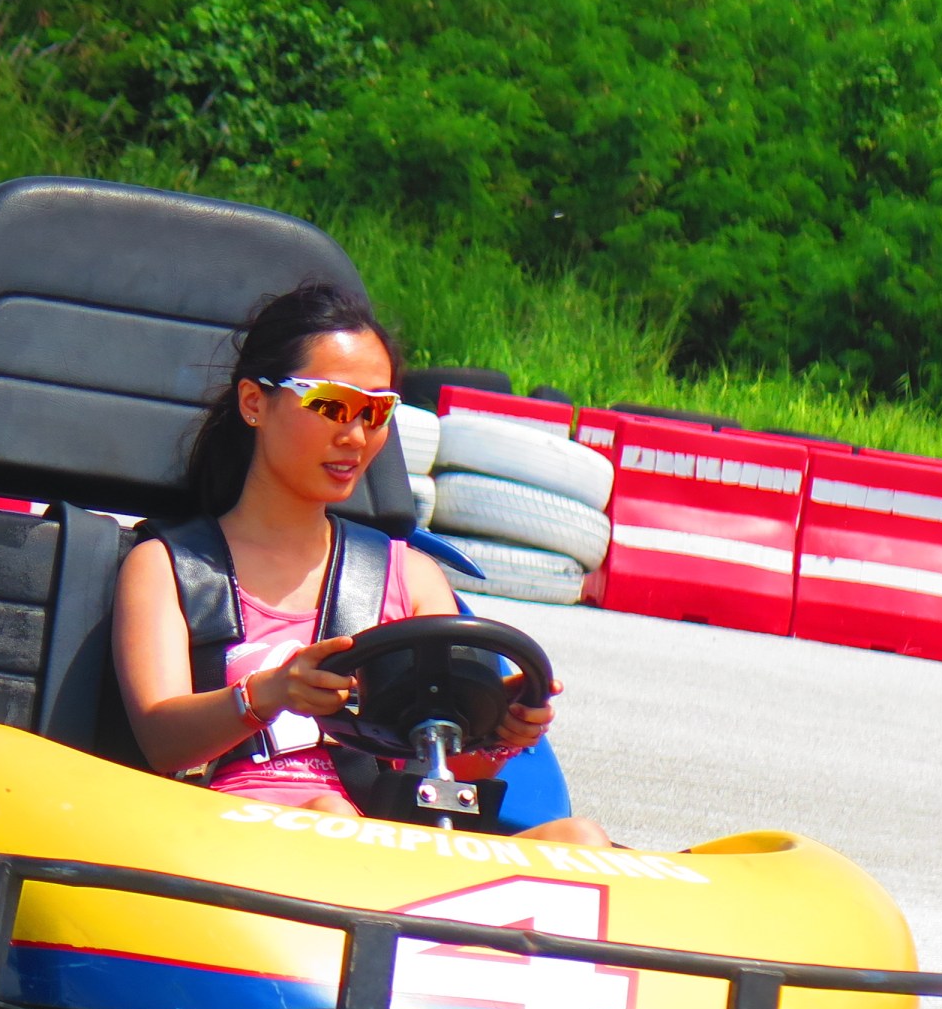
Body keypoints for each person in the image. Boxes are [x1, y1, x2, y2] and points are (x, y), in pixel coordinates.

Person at [112, 282, 610, 844]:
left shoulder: (410, 576)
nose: (355, 435)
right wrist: (267, 694)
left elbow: (443, 771)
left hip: (384, 836)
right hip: (229, 842)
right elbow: (160, 741)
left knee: (582, 840)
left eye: (376, 410)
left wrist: (495, 732)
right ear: (254, 403)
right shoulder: (169, 567)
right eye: (331, 404)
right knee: (331, 815)